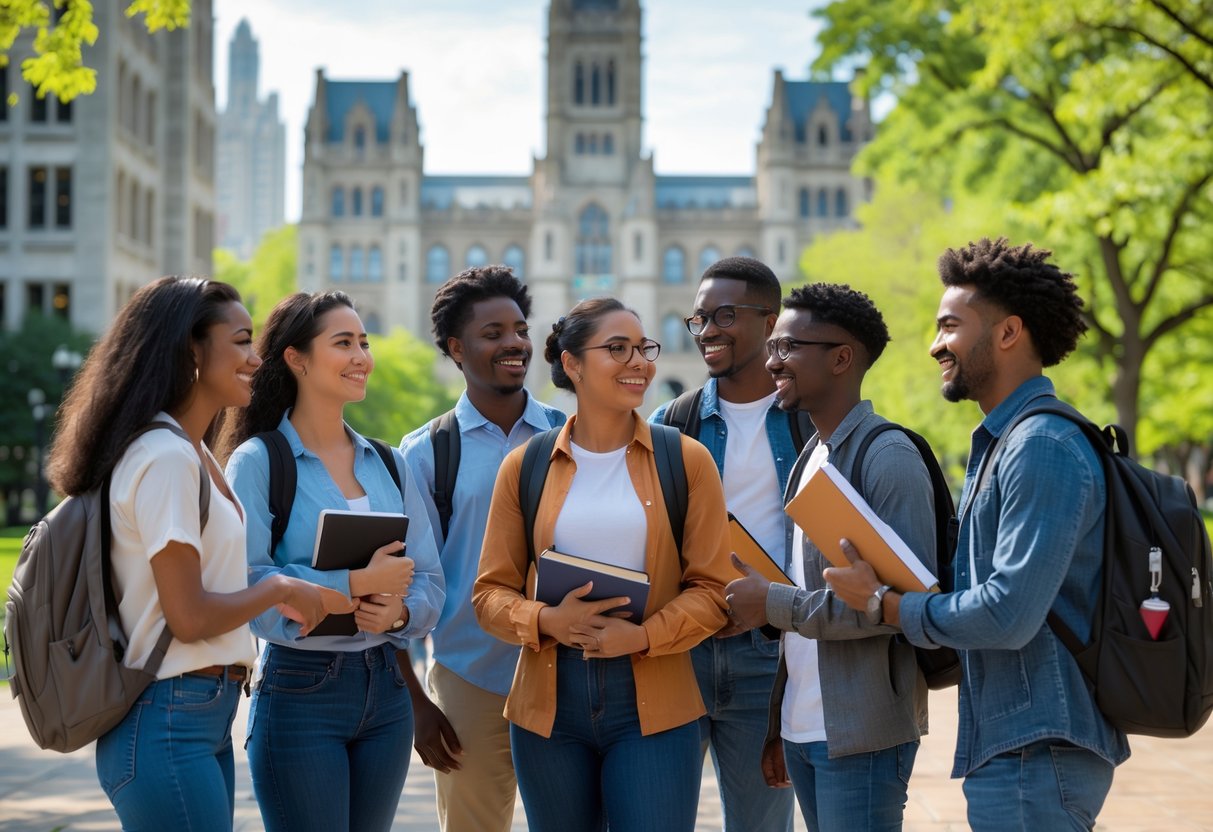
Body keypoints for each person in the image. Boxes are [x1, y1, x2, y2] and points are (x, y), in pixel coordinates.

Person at [824, 238, 1130, 830]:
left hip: (1038, 749)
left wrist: (886, 605)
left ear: (1009, 332)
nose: (935, 344)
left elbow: (1008, 613)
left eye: (949, 326)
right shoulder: (1010, 442)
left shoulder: (1039, 446)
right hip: (1020, 745)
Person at [46, 277, 344, 831]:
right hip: (166, 720)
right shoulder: (164, 457)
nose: (256, 359)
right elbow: (188, 616)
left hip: (198, 715)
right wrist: (281, 588)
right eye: (241, 341)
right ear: (191, 350)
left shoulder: (193, 451)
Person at [472, 297, 735, 832]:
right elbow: (489, 595)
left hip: (656, 702)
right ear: (572, 364)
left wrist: (641, 637)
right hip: (548, 707)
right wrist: (547, 621)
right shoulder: (524, 466)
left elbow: (713, 591)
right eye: (617, 349)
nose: (639, 362)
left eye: (644, 348)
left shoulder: (685, 460)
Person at [223, 290, 445, 832]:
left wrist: (397, 615)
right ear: (297, 359)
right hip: (301, 693)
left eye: (364, 343)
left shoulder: (389, 463)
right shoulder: (257, 462)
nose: (361, 357)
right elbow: (244, 588)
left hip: (387, 690)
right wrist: (353, 583)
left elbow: (432, 580)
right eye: (343, 343)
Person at [720, 282, 935, 830]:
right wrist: (779, 721)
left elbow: (902, 608)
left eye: (789, 347)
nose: (772, 362)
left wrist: (771, 602)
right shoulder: (810, 457)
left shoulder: (887, 457)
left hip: (861, 734)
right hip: (803, 728)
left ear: (842, 358)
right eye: (773, 348)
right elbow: (812, 597)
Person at [399, 265, 565, 832]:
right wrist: (417, 703)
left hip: (567, 669)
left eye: (519, 329)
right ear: (456, 348)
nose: (515, 343)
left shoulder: (573, 434)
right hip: (469, 680)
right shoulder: (423, 454)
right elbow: (405, 579)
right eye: (493, 333)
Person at [648, 256, 796, 832]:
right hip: (677, 653)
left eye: (725, 315)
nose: (708, 329)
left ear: (771, 321)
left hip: (770, 658)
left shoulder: (806, 422)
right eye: (699, 318)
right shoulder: (670, 424)